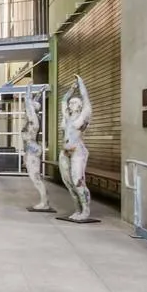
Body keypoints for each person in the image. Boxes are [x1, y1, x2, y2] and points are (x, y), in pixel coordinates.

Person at [59, 75, 92, 220]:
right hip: (65, 151)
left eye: (74, 103)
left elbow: (86, 100)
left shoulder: (82, 117)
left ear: (79, 106)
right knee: (68, 182)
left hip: (77, 151)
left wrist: (81, 84)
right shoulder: (67, 117)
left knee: (78, 181)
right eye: (71, 102)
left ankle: (85, 210)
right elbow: (63, 101)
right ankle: (77, 210)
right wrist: (72, 89)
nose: (71, 104)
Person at [22, 85, 50, 210]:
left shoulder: (33, 120)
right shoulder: (31, 120)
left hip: (33, 150)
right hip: (30, 150)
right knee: (35, 178)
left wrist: (28, 88)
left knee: (36, 178)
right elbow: (31, 103)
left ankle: (45, 202)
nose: (26, 110)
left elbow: (28, 102)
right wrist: (38, 93)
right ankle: (44, 201)